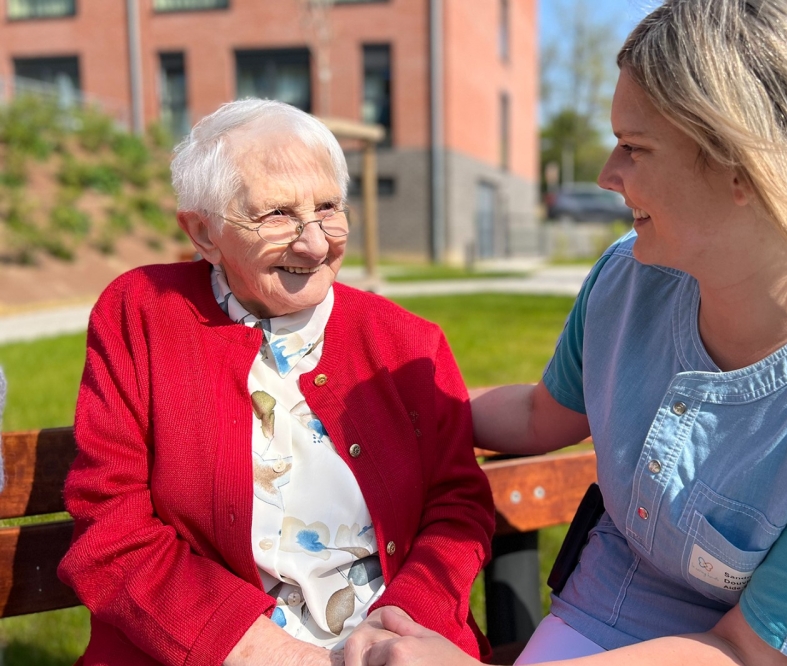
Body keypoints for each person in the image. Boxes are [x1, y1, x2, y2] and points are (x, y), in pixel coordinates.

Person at [355, 0, 787, 664]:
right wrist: (396, 413)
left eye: (634, 147)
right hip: (615, 603)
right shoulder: (632, 279)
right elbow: (543, 414)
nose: (607, 176)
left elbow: (750, 653)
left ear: (747, 169)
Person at [57, 99, 494, 666]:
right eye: (277, 215)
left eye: (328, 208)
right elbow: (109, 527)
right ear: (204, 233)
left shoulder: (406, 341)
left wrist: (405, 625)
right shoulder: (142, 313)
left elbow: (457, 504)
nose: (315, 244)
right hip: (213, 649)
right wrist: (272, 653)